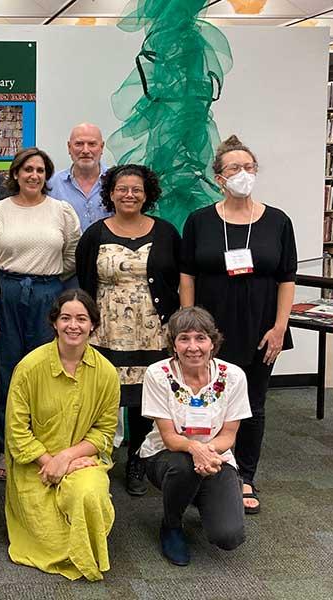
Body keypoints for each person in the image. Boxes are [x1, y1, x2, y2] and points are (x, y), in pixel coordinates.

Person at [180, 135, 297, 515]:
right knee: (204, 399)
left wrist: (280, 327)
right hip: (210, 331)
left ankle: (245, 475)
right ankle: (204, 468)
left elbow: (287, 278)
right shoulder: (200, 221)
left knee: (253, 405)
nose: (242, 174)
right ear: (219, 177)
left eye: (248, 167)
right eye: (234, 168)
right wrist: (189, 329)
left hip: (262, 328)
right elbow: (187, 276)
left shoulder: (278, 221)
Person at [75, 164, 181, 496]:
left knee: (141, 399)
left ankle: (136, 458)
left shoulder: (165, 232)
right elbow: (83, 278)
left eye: (136, 189)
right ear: (111, 193)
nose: (129, 195)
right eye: (122, 189)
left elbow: (178, 279)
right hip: (105, 329)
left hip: (151, 329)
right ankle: (97, 457)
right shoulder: (95, 233)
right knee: (102, 395)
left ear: (147, 194)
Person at [0, 147, 82, 480]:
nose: (33, 175)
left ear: (46, 175)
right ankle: (7, 448)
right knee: (7, 371)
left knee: (44, 371)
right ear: (15, 174)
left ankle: (43, 446)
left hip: (47, 295)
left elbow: (71, 258)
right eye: (27, 170)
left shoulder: (62, 211)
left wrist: (45, 282)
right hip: (5, 294)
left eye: (40, 170)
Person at [5, 290, 120, 581]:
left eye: (82, 319)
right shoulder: (29, 368)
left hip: (82, 461)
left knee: (90, 494)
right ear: (54, 322)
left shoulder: (106, 373)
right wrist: (51, 462)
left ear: (93, 324)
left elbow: (105, 433)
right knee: (53, 543)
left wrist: (67, 458)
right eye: (66, 318)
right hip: (36, 468)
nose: (73, 325)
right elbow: (17, 433)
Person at [139, 307, 251, 566]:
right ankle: (171, 525)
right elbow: (169, 437)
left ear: (213, 342)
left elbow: (229, 435)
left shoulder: (233, 376)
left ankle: (199, 493)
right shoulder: (158, 374)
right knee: (185, 467)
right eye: (184, 338)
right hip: (166, 457)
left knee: (229, 536)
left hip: (216, 457)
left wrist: (207, 453)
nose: (193, 347)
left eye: (200, 338)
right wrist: (196, 451)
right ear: (173, 344)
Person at [48, 123, 112, 232]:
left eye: (92, 144)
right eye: (79, 144)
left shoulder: (117, 181)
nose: (85, 150)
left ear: (102, 147)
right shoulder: (51, 184)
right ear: (69, 147)